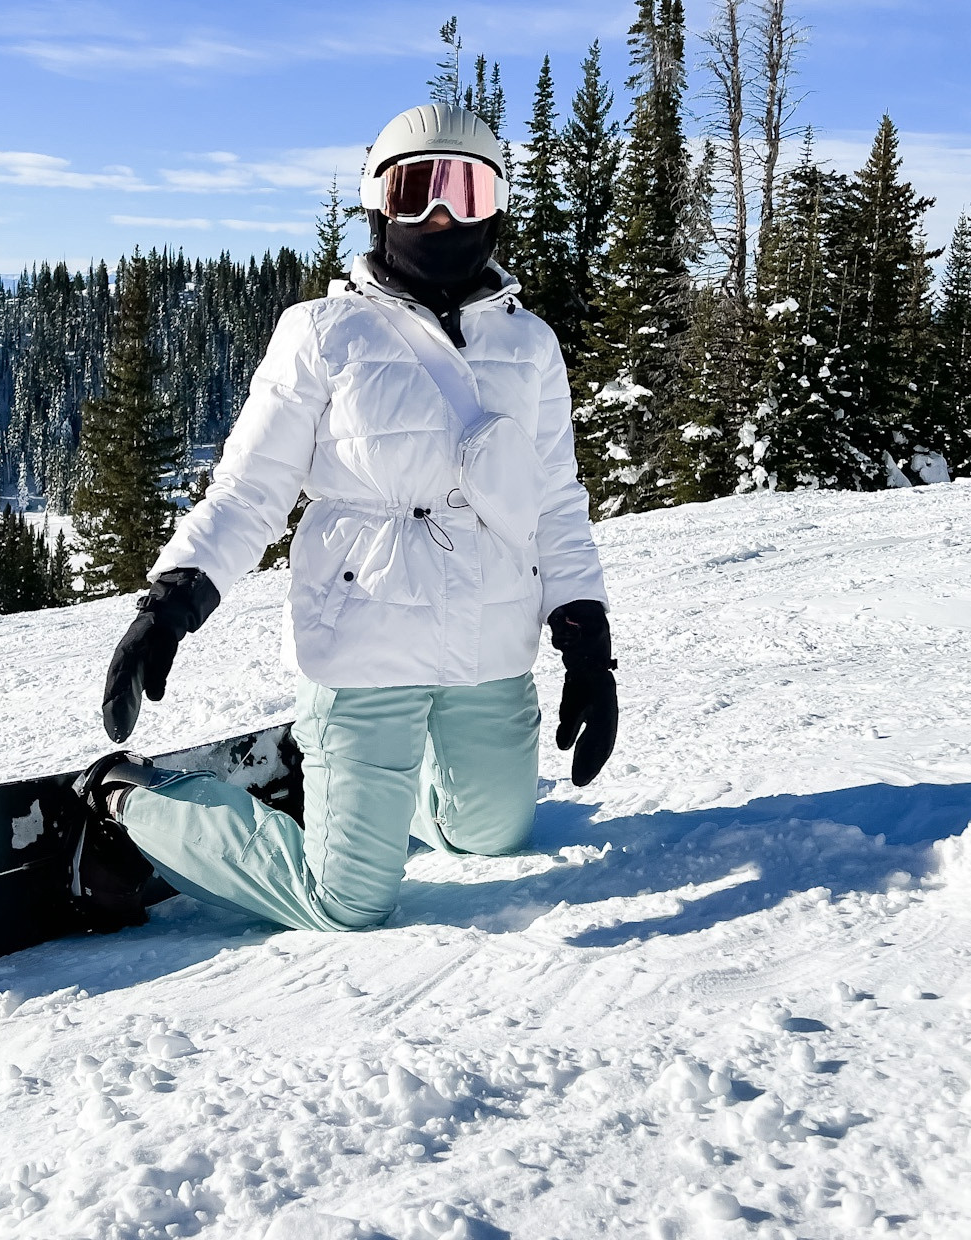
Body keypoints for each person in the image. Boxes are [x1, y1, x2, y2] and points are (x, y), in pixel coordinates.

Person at [69, 101, 617, 935]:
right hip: (363, 635)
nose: (441, 214)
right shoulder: (323, 333)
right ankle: (135, 802)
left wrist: (586, 638)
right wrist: (173, 600)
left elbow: (554, 499)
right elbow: (252, 488)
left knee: (492, 837)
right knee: (349, 902)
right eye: (417, 191)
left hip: (490, 637)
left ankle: (362, 791)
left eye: (465, 191)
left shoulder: (531, 344)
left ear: (497, 206)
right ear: (377, 204)